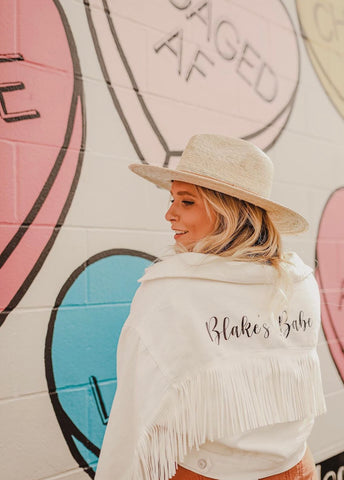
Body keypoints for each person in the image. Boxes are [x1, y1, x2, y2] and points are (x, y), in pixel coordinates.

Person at [94, 134, 326, 480]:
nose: (169, 213)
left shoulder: (170, 289)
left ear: (228, 210)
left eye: (186, 202)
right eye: (172, 199)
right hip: (296, 467)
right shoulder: (300, 280)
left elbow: (133, 415)